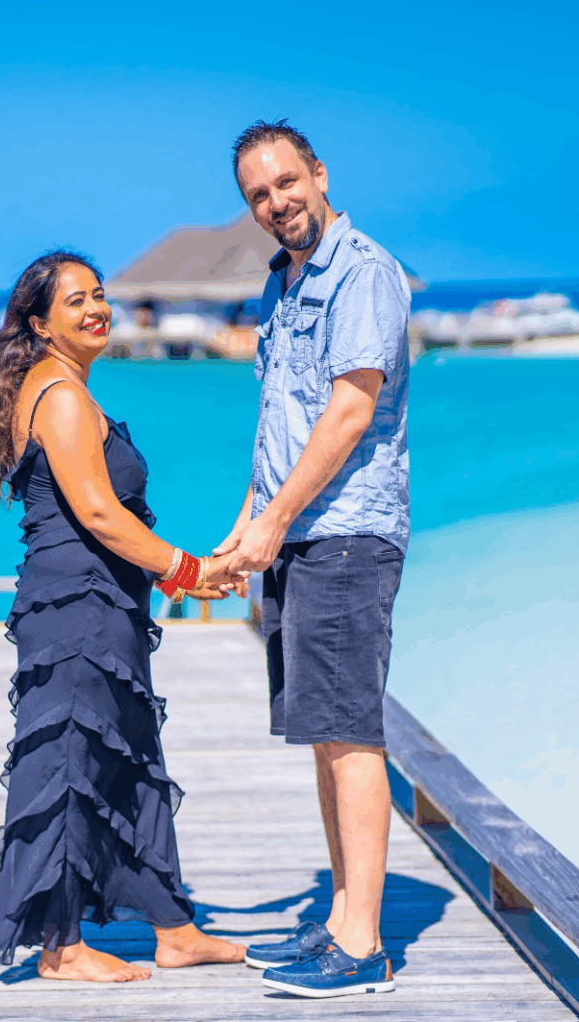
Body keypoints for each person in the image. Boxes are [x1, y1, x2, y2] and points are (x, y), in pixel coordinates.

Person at [0, 250, 247, 982]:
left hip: (100, 604)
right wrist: (187, 571)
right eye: (75, 301)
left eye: (99, 295)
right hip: (77, 610)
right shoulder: (61, 397)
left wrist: (165, 573)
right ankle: (61, 947)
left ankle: (173, 928)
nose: (97, 309)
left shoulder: (63, 388)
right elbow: (98, 513)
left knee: (128, 759)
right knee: (69, 763)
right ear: (40, 324)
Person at [214, 120, 410, 999]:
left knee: (350, 732)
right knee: (324, 732)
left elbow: (348, 411)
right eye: (258, 194)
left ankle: (362, 948)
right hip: (297, 534)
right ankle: (337, 920)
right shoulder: (283, 282)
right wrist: (244, 531)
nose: (276, 203)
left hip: (347, 532)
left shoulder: (361, 271)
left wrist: (276, 520)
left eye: (286, 183)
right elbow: (281, 425)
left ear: (319, 174)